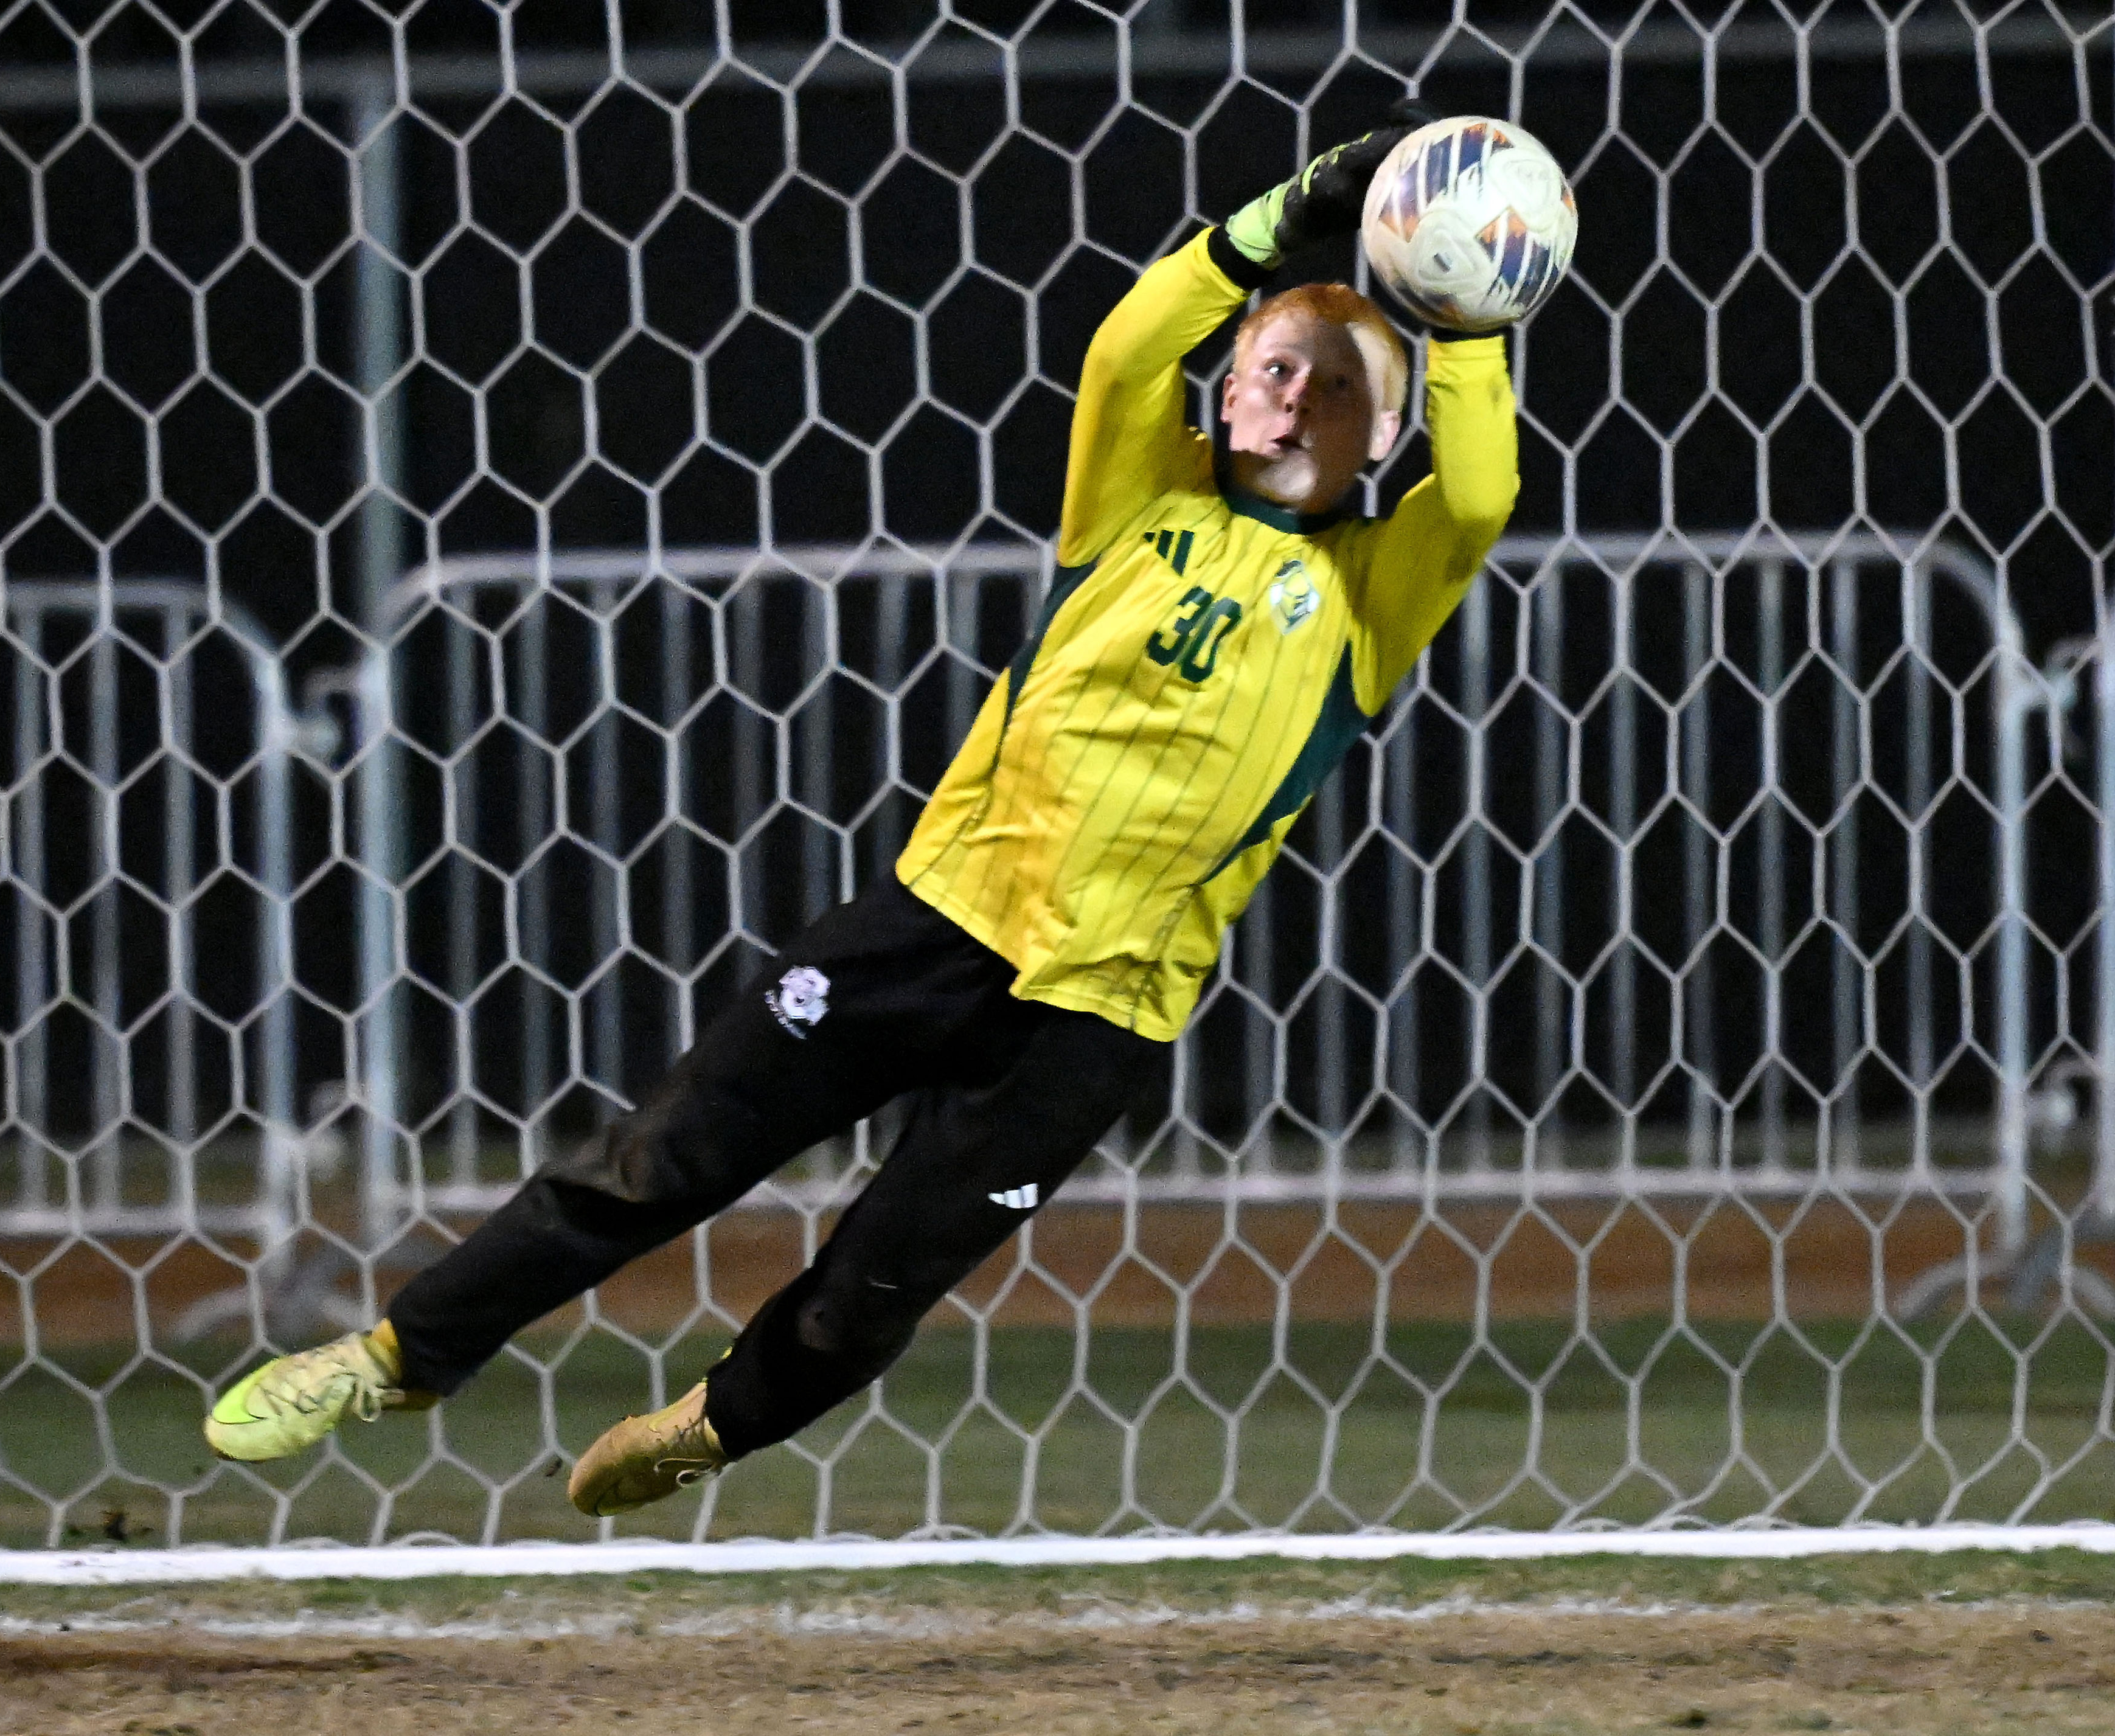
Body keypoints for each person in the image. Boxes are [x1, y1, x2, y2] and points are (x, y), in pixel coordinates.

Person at [202, 108, 1520, 1518]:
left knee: (871, 1289)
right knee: (661, 1157)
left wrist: (1472, 313)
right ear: (1222, 391)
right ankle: (403, 1354)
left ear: (1387, 431)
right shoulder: (1138, 499)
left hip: (1100, 1012)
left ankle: (709, 1424)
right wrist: (1281, 218)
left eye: (1329, 388)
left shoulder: (1371, 596)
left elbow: (1485, 485)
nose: (1284, 399)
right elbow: (1132, 343)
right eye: (1267, 367)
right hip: (935, 918)